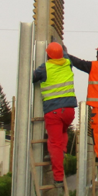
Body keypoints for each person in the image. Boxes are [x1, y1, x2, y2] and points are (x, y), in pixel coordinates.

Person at [32, 41, 77, 188]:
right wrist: (62, 46)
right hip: (69, 111)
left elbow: (32, 77)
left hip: (53, 111)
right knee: (63, 132)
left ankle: (58, 178)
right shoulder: (68, 63)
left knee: (54, 144)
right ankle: (62, 153)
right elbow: (64, 54)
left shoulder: (45, 68)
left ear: (48, 55)